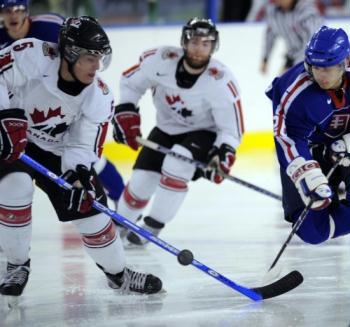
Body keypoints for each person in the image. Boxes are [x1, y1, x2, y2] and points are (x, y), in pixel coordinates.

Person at [0, 16, 162, 299]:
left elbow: (82, 146)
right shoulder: (32, 54)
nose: (97, 67)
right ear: (70, 52)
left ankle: (118, 274)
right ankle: (16, 265)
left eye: (100, 58)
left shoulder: (99, 97)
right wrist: (4, 117)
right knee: (15, 187)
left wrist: (79, 173)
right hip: (14, 137)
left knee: (92, 213)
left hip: (57, 151)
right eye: (90, 58)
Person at [112, 18, 244, 246]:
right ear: (184, 41)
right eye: (194, 41)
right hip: (166, 128)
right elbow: (130, 83)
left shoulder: (221, 81)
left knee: (176, 165)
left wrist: (222, 153)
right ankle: (119, 224)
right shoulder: (160, 60)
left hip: (203, 133)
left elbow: (231, 128)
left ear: (214, 46)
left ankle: (152, 226)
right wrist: (125, 110)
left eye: (205, 43)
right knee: (141, 182)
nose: (198, 48)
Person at [0, 0, 125, 209]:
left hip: (58, 110)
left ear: (27, 11)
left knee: (91, 161)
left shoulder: (50, 26)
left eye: (18, 9)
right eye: (6, 10)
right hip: (19, 110)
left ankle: (125, 203)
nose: (13, 15)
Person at [266, 25, 350, 245]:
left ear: (345, 63)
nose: (321, 75)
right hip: (310, 152)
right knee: (313, 232)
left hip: (345, 147)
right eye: (315, 67)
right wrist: (306, 175)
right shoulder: (295, 89)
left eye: (329, 68)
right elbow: (288, 138)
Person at [260, 0, 324, 75]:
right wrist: (265, 58)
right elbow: (270, 35)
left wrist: (295, 66)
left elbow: (313, 40)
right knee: (281, 82)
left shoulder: (305, 10)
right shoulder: (273, 12)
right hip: (293, 56)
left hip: (316, 57)